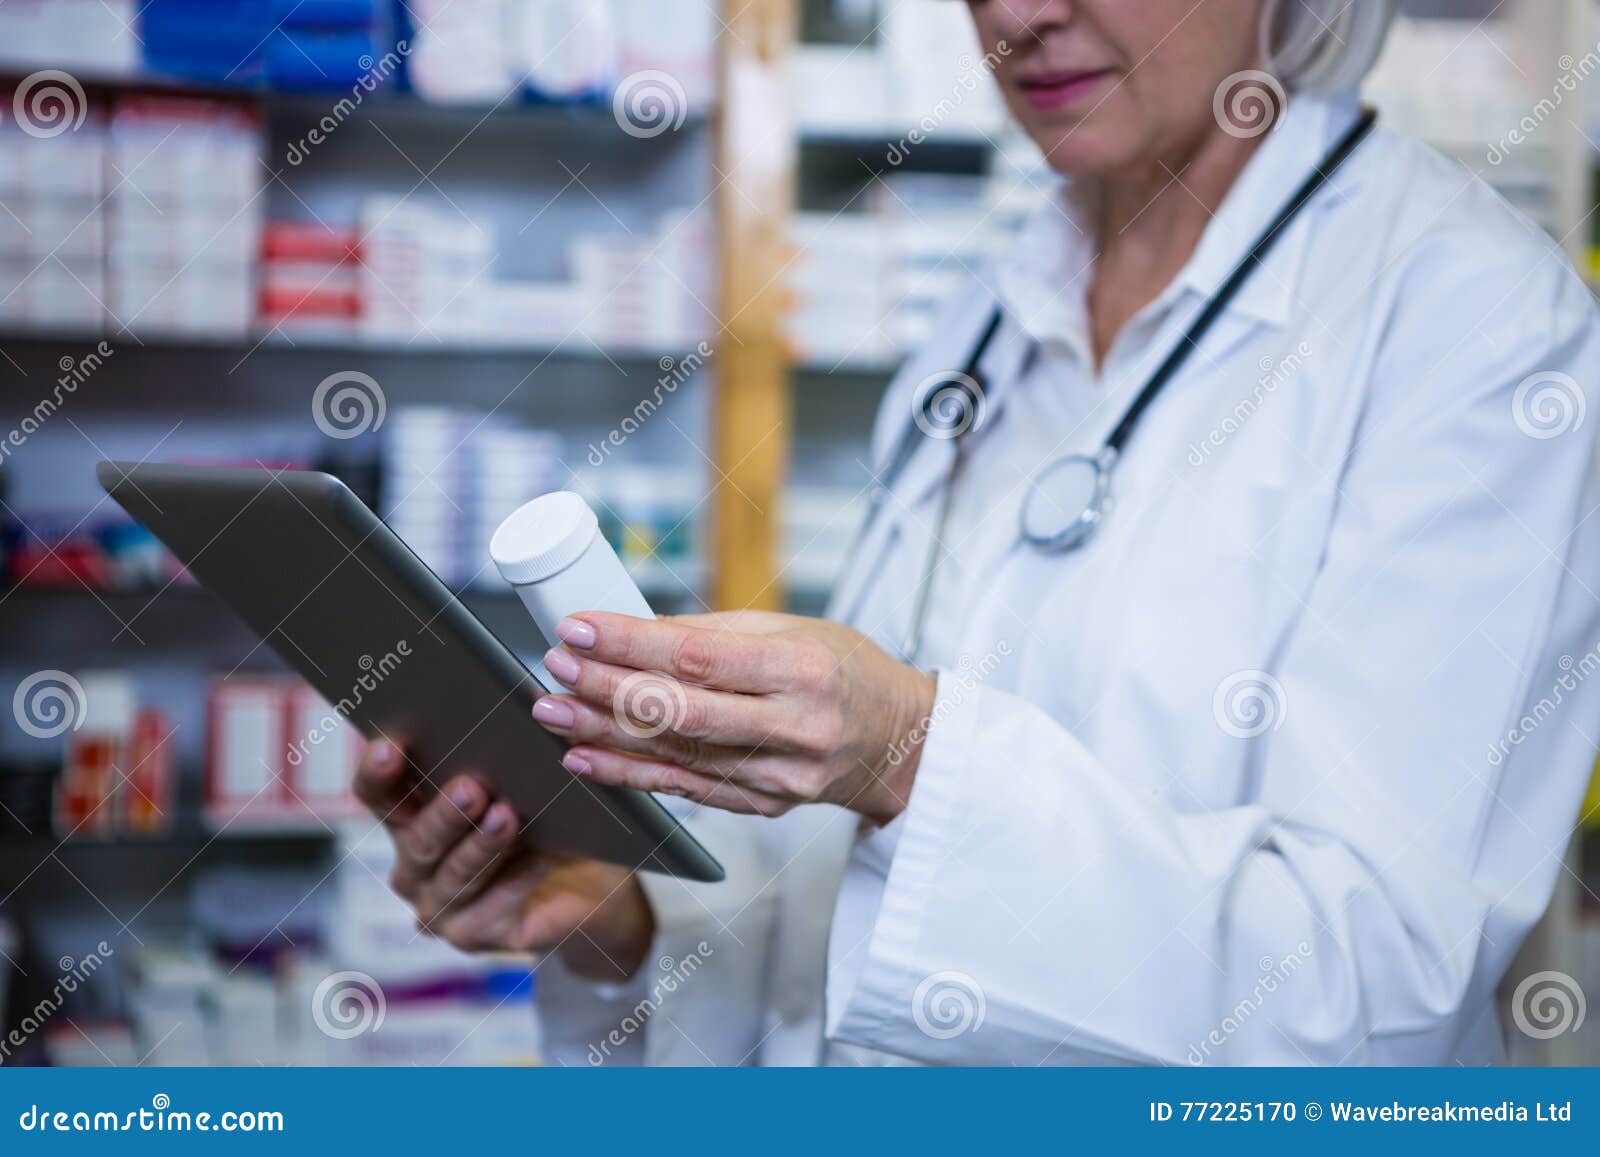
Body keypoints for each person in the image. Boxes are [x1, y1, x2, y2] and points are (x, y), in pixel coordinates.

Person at [354, 0, 1600, 1065]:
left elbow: (1368, 990)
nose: (1016, 15)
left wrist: (907, 749)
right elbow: (842, 916)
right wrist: (620, 923)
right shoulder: (989, 315)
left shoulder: (1477, 326)